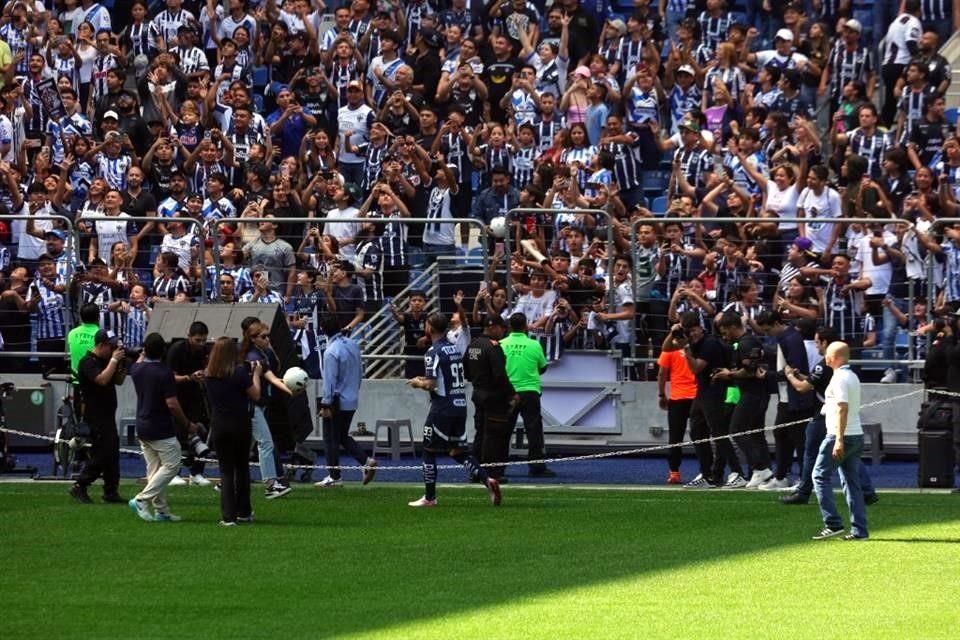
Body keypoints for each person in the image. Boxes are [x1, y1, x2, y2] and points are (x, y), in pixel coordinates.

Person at [406, 312, 502, 507]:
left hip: (442, 407)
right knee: (457, 451)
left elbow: (432, 384)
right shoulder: (455, 349)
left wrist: (417, 382)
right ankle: (487, 480)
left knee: (428, 449)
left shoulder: (433, 351)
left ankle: (430, 497)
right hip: (460, 405)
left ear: (430, 328)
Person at [782, 327, 878, 506]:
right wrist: (800, 375)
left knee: (811, 453)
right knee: (850, 456)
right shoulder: (846, 371)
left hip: (825, 415)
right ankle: (867, 491)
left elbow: (802, 387)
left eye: (818, 342)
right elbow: (814, 381)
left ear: (826, 344)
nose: (817, 346)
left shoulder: (824, 365)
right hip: (836, 417)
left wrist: (789, 375)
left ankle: (803, 492)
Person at [127, 333, 200, 523]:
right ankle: (142, 499)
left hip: (142, 424)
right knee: (172, 465)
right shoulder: (163, 372)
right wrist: (187, 424)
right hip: (160, 426)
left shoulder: (136, 369)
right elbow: (172, 404)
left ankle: (162, 511)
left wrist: (142, 352)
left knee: (154, 470)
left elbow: (139, 361)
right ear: (164, 351)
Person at [810, 341, 869, 540]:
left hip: (839, 435)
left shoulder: (839, 379)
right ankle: (859, 530)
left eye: (827, 354)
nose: (824, 357)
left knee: (819, 476)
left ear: (834, 358)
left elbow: (842, 408)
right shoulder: (852, 376)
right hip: (856, 434)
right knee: (851, 482)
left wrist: (839, 440)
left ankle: (832, 523)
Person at [203, 336, 260, 526]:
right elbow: (256, 394)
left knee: (226, 471)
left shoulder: (209, 374)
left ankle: (228, 515)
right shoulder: (239, 373)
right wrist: (256, 375)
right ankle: (244, 510)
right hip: (240, 423)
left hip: (219, 424)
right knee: (242, 468)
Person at [315, 316, 377, 488]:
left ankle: (334, 476)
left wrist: (325, 404)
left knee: (330, 438)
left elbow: (329, 381)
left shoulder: (330, 352)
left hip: (336, 401)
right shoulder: (353, 344)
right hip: (352, 397)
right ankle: (366, 461)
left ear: (323, 331)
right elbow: (360, 371)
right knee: (341, 436)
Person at [70, 329, 126, 504]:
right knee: (102, 453)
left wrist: (120, 363)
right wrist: (114, 360)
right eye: (111, 347)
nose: (113, 350)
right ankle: (81, 484)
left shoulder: (106, 361)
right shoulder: (87, 362)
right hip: (95, 415)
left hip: (108, 413)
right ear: (101, 345)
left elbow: (119, 380)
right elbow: (101, 380)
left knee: (112, 453)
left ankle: (111, 490)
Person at [239, 318, 294, 499]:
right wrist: (290, 389)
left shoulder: (261, 354)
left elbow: (272, 377)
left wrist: (290, 388)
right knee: (266, 444)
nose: (267, 339)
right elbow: (268, 379)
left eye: (268, 336)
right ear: (253, 338)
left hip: (256, 406)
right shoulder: (254, 358)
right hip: (251, 406)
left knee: (245, 445)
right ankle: (271, 484)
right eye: (263, 336)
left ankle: (227, 481)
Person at [500, 312, 554, 477]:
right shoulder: (534, 345)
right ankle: (536, 467)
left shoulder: (501, 344)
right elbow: (543, 367)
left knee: (503, 430)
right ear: (525, 326)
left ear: (509, 327)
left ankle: (498, 466)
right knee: (534, 430)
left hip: (508, 392)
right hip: (530, 391)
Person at [464, 314, 516, 482]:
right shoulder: (493, 347)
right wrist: (512, 394)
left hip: (478, 393)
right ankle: (492, 474)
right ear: (494, 327)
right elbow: (500, 376)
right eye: (502, 328)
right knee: (493, 435)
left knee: (480, 433)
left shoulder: (473, 345)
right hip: (494, 396)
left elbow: (466, 371)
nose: (503, 332)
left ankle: (476, 471)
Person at [165, 321, 212, 486]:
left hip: (195, 397)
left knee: (201, 432)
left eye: (204, 340)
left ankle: (197, 472)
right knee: (176, 436)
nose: (201, 344)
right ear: (189, 336)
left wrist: (205, 375)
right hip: (177, 397)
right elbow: (170, 377)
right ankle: (174, 473)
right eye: (198, 340)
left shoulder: (205, 351)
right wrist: (189, 377)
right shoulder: (176, 350)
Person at [657, 321, 698, 485]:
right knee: (701, 435)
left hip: (678, 397)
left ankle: (674, 472)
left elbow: (661, 374)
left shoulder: (670, 349)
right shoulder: (696, 346)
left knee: (675, 437)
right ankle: (707, 471)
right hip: (697, 395)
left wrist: (661, 394)